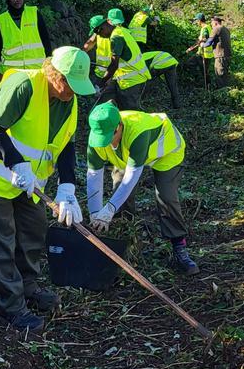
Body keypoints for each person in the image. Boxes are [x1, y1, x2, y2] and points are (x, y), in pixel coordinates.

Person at [0, 47, 94, 331]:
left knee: (33, 232)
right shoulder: (22, 86)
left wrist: (67, 187)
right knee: (2, 241)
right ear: (53, 73)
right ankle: (12, 305)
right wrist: (18, 165)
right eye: (68, 83)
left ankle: (28, 287)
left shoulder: (69, 99)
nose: (72, 91)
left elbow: (66, 145)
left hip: (30, 184)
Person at [84, 102, 199, 275]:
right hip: (125, 157)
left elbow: (131, 179)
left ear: (119, 127)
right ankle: (124, 247)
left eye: (109, 137)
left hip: (166, 153)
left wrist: (108, 209)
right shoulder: (97, 137)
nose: (105, 143)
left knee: (166, 197)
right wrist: (95, 214)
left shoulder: (139, 132)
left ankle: (179, 247)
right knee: (120, 199)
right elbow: (93, 176)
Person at [0, 0, 52, 92]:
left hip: (36, 72)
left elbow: (46, 40)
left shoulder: (34, 13)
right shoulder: (2, 20)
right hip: (11, 74)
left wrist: (50, 65)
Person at [88, 14, 150, 110]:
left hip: (133, 80)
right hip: (126, 79)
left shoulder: (116, 38)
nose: (98, 35)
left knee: (131, 112)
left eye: (97, 31)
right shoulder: (120, 31)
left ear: (104, 26)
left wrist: (100, 84)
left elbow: (114, 64)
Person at [184, 13, 214, 88]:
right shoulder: (207, 27)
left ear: (200, 20)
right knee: (204, 71)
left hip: (204, 54)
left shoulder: (205, 28)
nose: (196, 22)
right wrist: (192, 48)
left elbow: (205, 38)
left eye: (197, 20)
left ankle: (206, 86)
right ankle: (206, 85)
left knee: (201, 70)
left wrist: (192, 47)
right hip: (203, 53)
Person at [202, 16, 232, 88]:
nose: (211, 25)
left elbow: (209, 42)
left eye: (211, 23)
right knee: (224, 75)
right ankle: (225, 90)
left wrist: (203, 45)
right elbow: (219, 41)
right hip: (227, 55)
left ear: (215, 22)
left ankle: (222, 93)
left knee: (219, 75)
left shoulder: (216, 28)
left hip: (220, 55)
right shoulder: (226, 29)